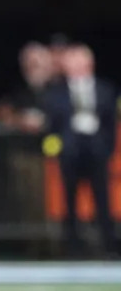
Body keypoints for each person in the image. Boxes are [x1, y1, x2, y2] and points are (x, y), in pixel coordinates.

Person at [44, 44, 118, 257]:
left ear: (89, 62)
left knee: (103, 199)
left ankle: (108, 244)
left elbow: (110, 122)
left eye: (79, 59)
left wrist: (108, 148)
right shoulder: (57, 92)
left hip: (97, 150)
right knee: (69, 199)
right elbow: (53, 122)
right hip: (70, 150)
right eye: (71, 60)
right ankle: (73, 246)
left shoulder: (105, 89)